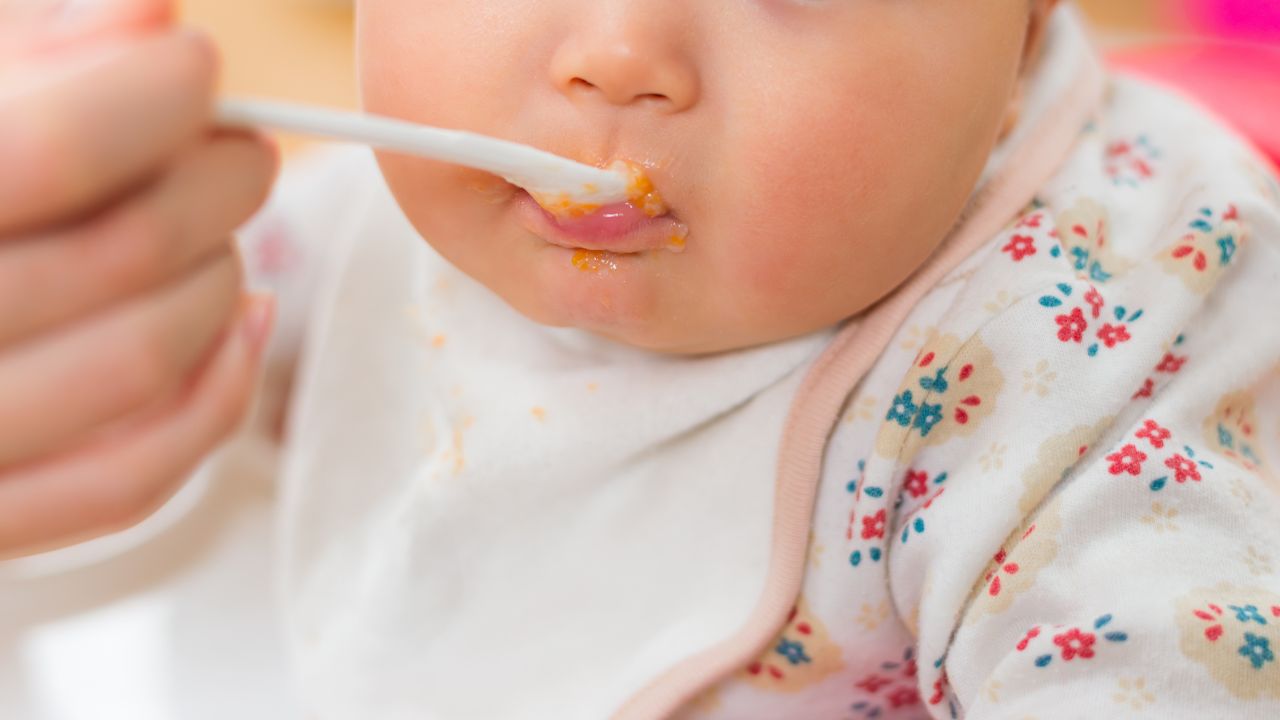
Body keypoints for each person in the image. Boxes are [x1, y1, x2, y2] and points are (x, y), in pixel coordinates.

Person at [2, 1, 1279, 717]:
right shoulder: (371, 215)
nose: (615, 55)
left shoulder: (1097, 337)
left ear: (1021, 38)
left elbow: (1160, 660)